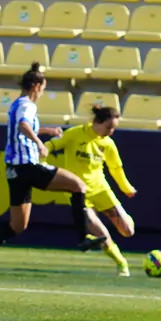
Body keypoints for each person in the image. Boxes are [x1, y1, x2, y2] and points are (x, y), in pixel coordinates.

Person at [0, 63, 103, 273]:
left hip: (15, 171)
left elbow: (24, 125)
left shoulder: (18, 104)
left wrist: (46, 131)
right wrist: (39, 143)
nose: (42, 93)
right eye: (43, 88)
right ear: (36, 86)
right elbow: (23, 125)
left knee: (18, 225)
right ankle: (83, 237)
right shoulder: (27, 105)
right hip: (28, 166)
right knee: (78, 185)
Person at [45, 105, 137, 277]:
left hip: (101, 189)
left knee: (128, 231)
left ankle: (121, 217)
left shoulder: (108, 144)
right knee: (102, 234)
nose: (111, 132)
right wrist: (41, 154)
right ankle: (121, 263)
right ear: (96, 122)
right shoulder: (75, 134)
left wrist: (126, 187)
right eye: (109, 127)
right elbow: (52, 145)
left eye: (114, 128)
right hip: (78, 192)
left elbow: (116, 168)